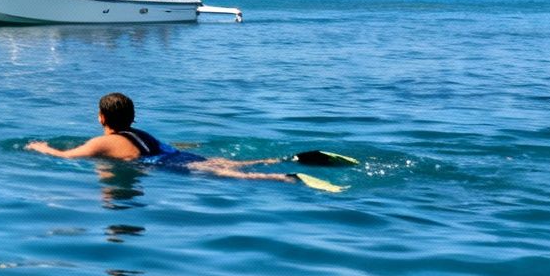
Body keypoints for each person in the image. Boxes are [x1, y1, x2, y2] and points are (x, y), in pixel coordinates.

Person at [25, 93, 341, 189]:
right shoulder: (140, 133)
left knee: (233, 174)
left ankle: (287, 177)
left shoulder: (101, 143)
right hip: (174, 155)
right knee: (232, 164)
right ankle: (291, 159)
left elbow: (67, 157)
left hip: (164, 165)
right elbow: (168, 147)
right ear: (132, 117)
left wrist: (43, 148)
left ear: (101, 118)